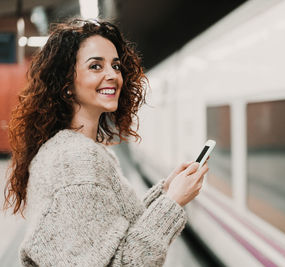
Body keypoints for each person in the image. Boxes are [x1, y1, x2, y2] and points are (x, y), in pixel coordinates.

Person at [3, 19, 208, 267]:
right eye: (96, 66)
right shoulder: (75, 159)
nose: (112, 75)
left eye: (116, 65)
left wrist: (164, 194)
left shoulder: (74, 148)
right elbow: (123, 262)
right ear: (67, 85)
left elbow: (109, 233)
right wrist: (173, 204)